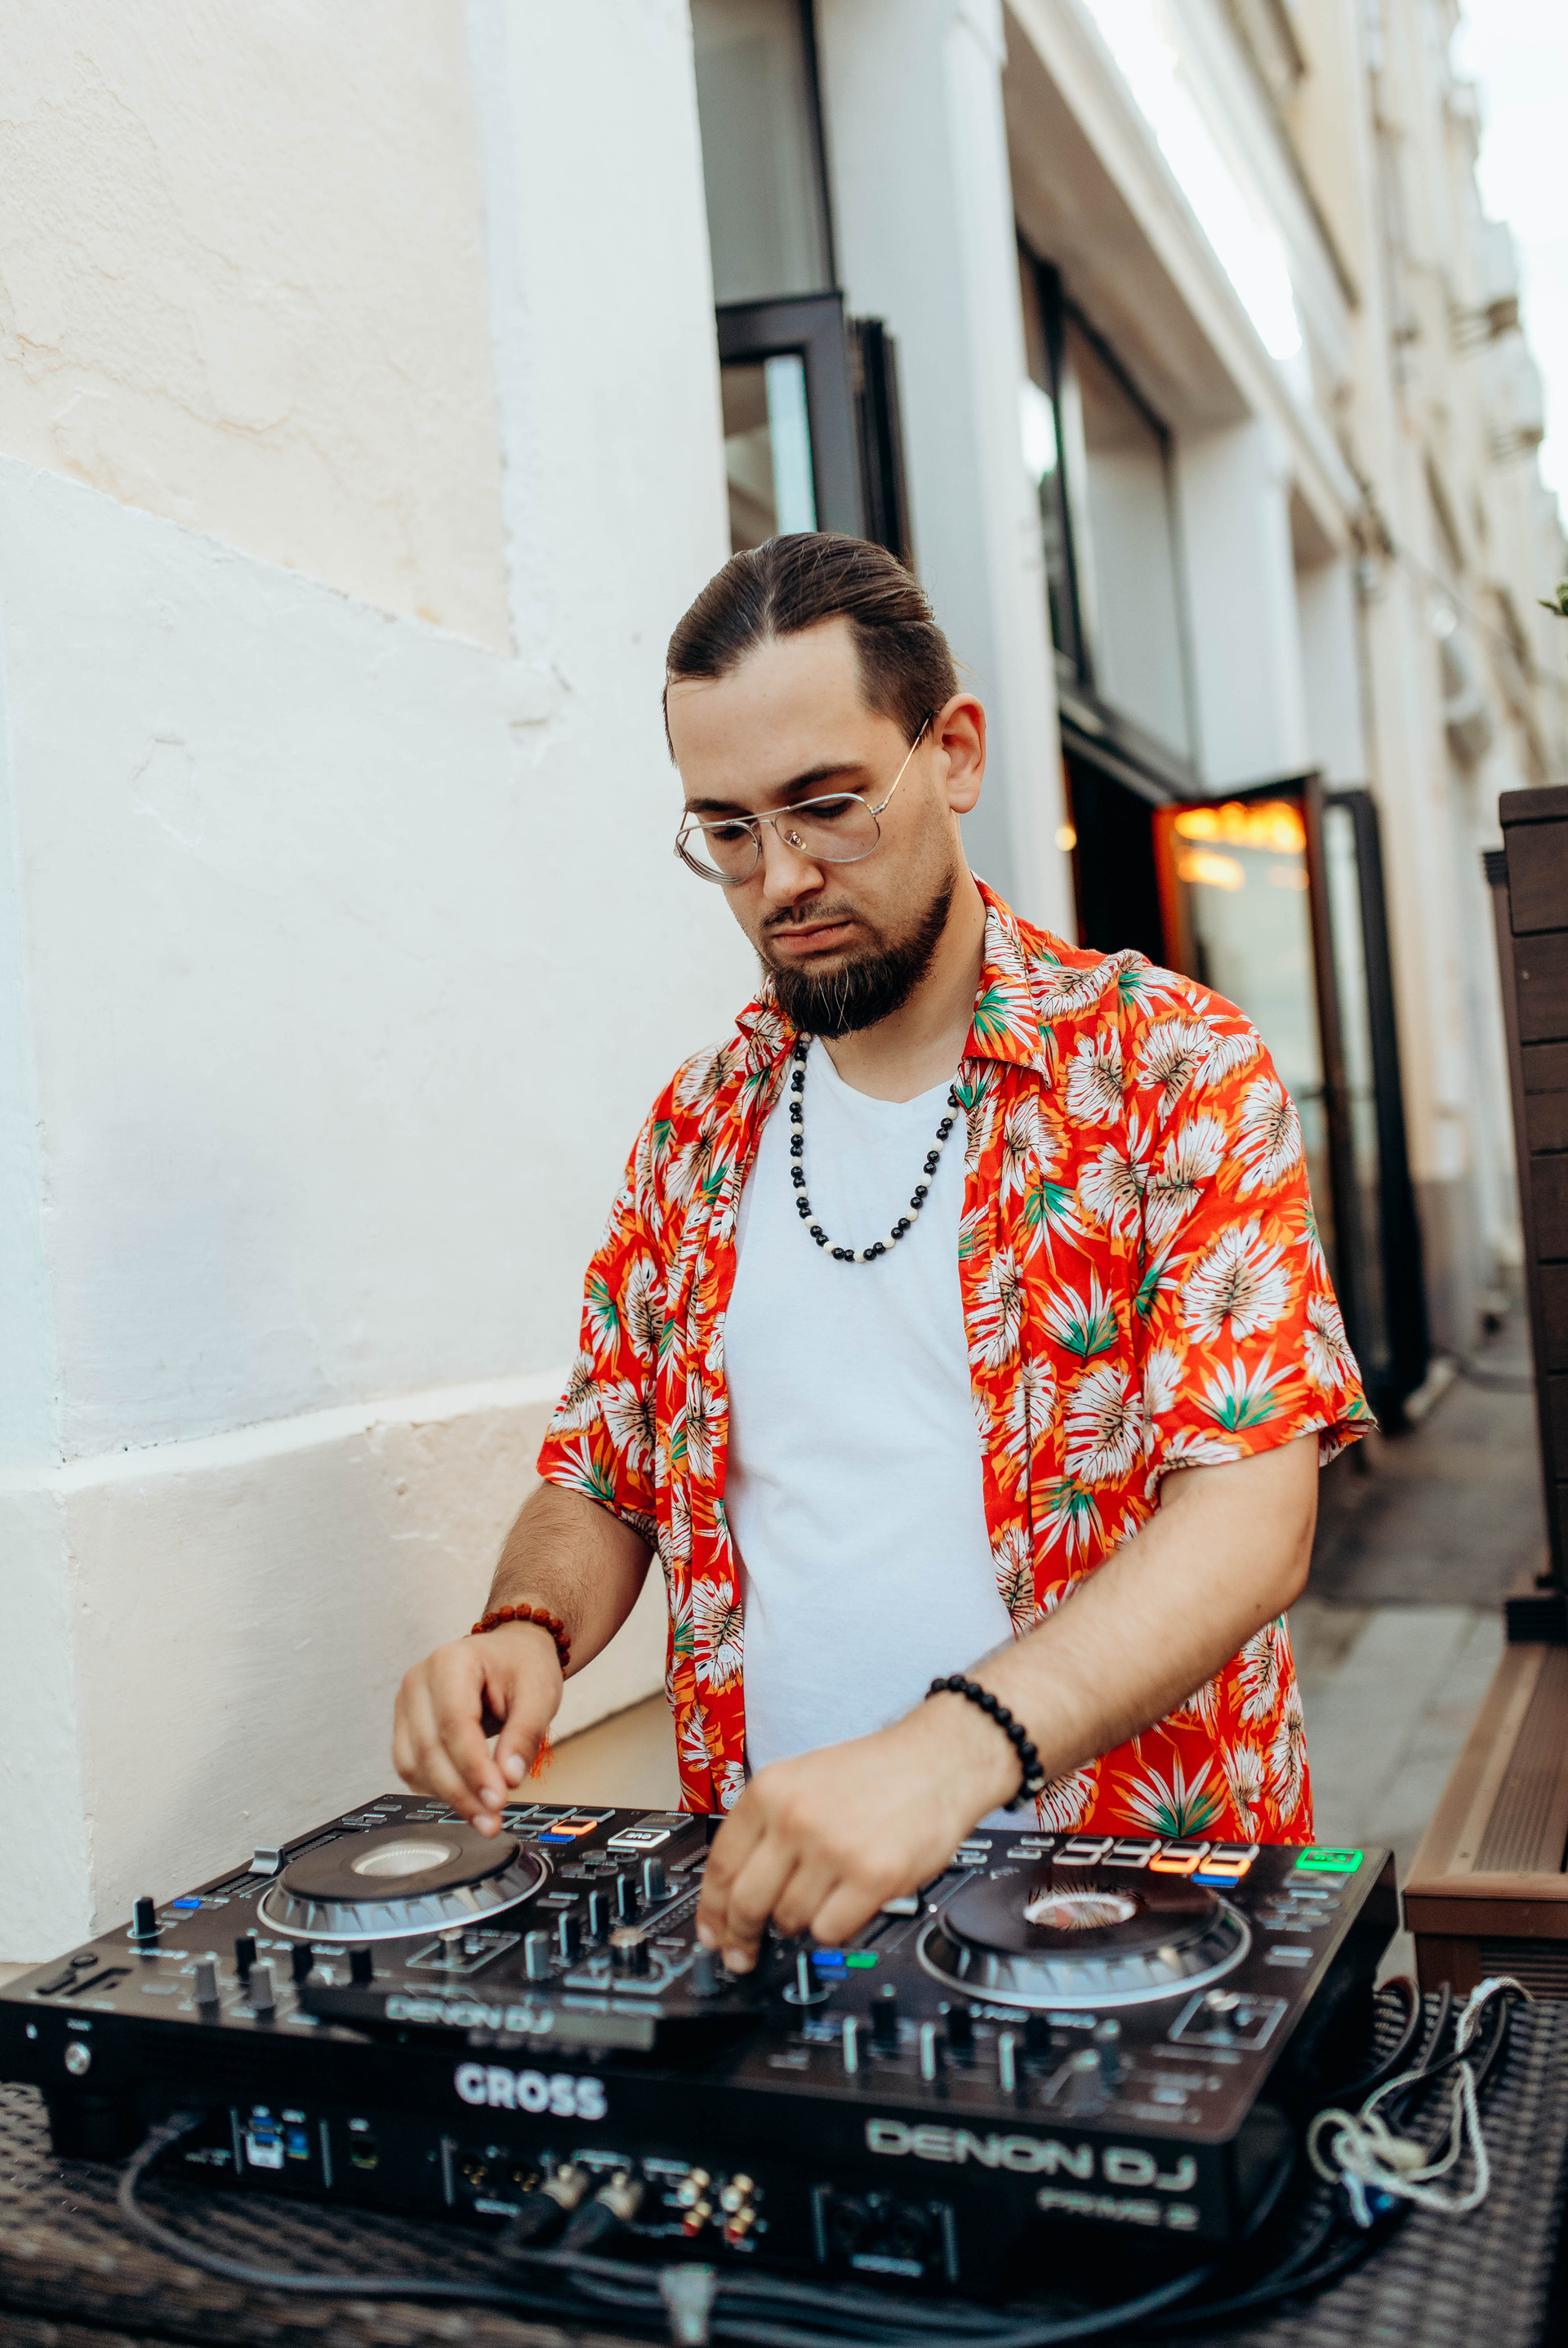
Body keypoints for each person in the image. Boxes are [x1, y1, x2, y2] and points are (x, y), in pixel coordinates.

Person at [394, 533, 1368, 1979]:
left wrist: (946, 1753)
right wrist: (525, 1629)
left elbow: (1249, 1517)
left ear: (953, 753)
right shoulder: (693, 1130)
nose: (782, 877)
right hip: (783, 1919)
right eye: (729, 832)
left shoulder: (1169, 1067)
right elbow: (602, 1469)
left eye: (827, 806)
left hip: (1135, 1920)